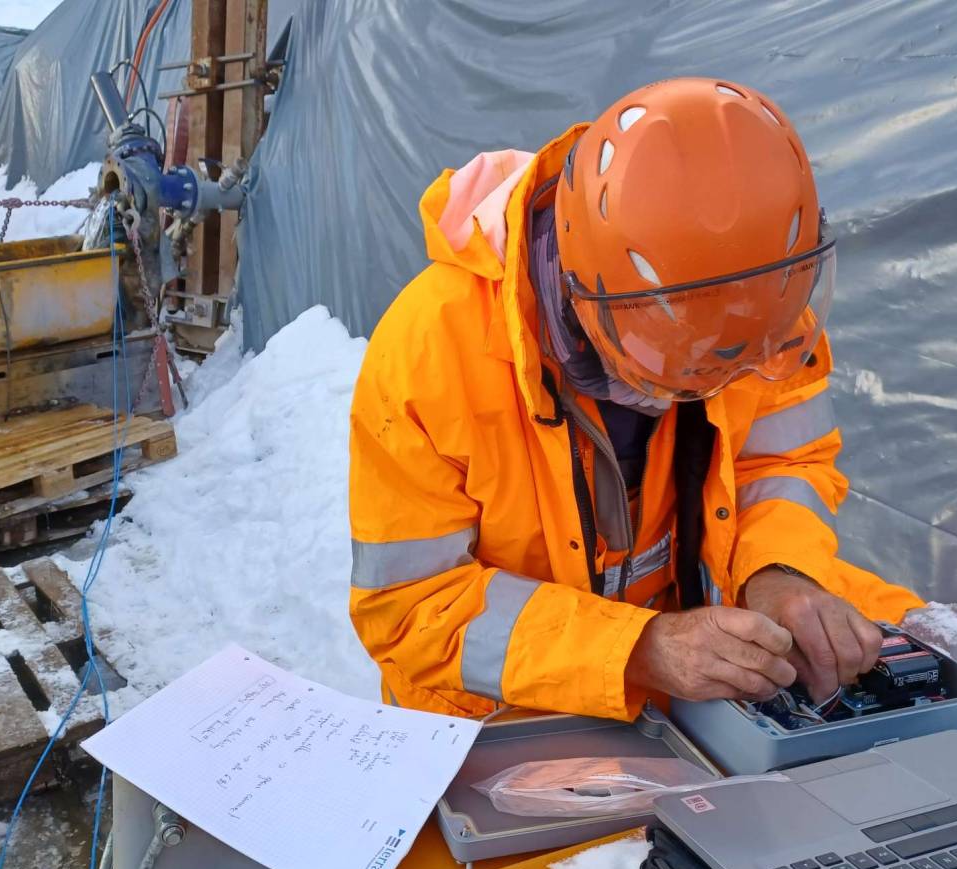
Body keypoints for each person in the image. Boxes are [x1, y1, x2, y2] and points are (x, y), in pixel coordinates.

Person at [347, 77, 926, 720]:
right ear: (579, 293)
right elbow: (413, 607)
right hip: (498, 721)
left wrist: (777, 573)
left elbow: (786, 466)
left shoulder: (761, 309)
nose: (710, 383)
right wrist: (635, 650)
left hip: (695, 686)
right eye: (677, 360)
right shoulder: (430, 352)